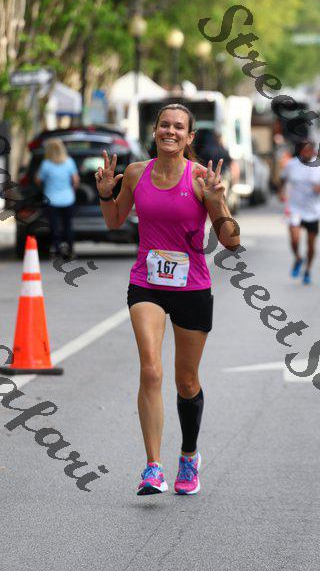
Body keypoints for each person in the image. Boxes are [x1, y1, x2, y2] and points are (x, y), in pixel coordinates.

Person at [95, 103, 240, 496]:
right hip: (147, 284)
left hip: (192, 287)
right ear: (155, 130)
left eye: (178, 127)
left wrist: (218, 201)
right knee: (151, 369)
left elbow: (231, 241)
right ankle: (153, 467)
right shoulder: (136, 173)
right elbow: (114, 220)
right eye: (164, 125)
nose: (170, 131)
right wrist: (106, 194)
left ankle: (189, 455)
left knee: (186, 381)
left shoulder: (201, 178)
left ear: (189, 137)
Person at [279, 141, 320, 285]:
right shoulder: (291, 165)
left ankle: (307, 270)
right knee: (295, 240)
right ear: (300, 151)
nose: (308, 153)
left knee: (311, 245)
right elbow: (283, 179)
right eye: (305, 150)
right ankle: (298, 258)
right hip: (295, 208)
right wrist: (281, 192)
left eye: (310, 150)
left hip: (313, 211)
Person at [35, 138, 80, 258]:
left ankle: (58, 250)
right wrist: (72, 191)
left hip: (52, 200)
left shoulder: (46, 164)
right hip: (68, 199)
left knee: (54, 227)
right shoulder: (69, 162)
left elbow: (38, 180)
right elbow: (76, 181)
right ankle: (70, 250)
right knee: (68, 226)